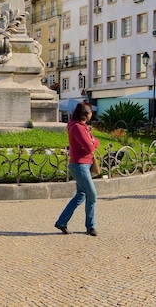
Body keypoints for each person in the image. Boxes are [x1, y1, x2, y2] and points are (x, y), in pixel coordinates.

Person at [54, 101, 100, 237]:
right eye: (91, 112)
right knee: (92, 195)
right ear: (86, 114)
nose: (92, 114)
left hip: (84, 164)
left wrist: (93, 141)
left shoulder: (82, 126)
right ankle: (90, 226)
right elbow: (91, 146)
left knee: (81, 195)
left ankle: (62, 222)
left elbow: (94, 141)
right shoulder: (77, 128)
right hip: (80, 165)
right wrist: (92, 142)